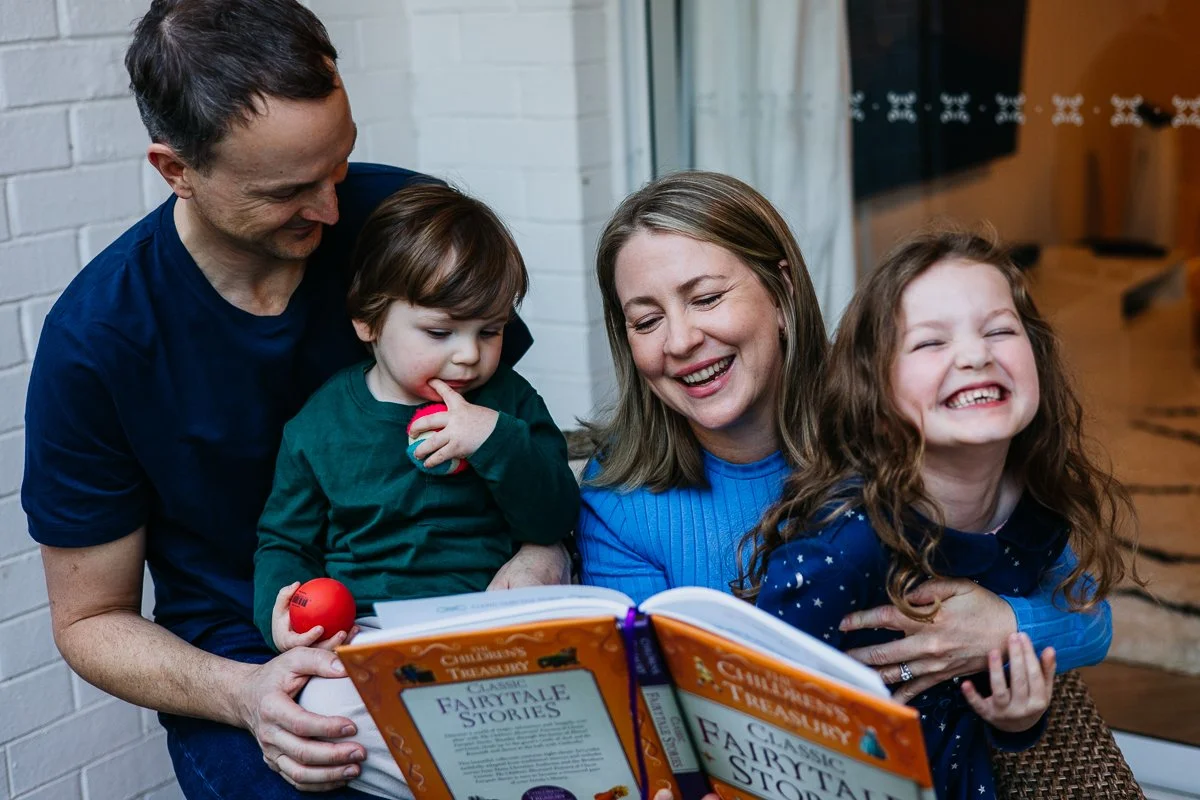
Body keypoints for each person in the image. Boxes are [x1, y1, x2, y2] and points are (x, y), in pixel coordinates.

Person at [21, 2, 566, 798]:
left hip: (463, 621)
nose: (332, 209)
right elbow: (89, 621)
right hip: (245, 666)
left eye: (338, 162)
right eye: (288, 190)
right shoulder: (97, 343)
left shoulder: (399, 224)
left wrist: (543, 545)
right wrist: (243, 696)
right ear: (176, 170)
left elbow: (510, 415)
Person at [577, 171, 1111, 706]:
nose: (680, 340)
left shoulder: (892, 420)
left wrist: (1003, 629)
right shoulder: (618, 495)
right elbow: (644, 696)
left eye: (708, 298)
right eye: (646, 321)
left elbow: (1091, 620)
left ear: (781, 292)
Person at [745, 228, 1133, 798]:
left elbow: (1082, 624)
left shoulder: (1035, 512)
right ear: (876, 397)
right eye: (930, 343)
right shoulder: (843, 552)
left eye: (1000, 330)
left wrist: (1017, 719)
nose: (976, 354)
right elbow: (761, 724)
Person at [252, 183, 579, 798]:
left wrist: (495, 440)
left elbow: (555, 514)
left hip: (492, 625)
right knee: (322, 716)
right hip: (373, 637)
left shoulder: (507, 403)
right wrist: (282, 612)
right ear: (367, 321)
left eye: (491, 330)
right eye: (440, 331)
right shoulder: (320, 427)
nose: (468, 357)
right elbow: (284, 541)